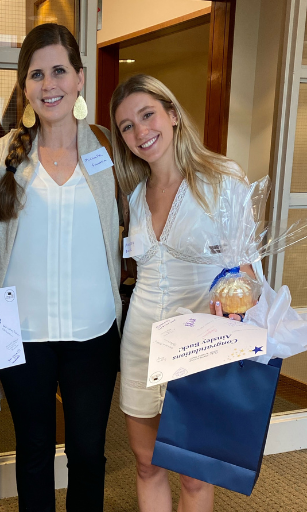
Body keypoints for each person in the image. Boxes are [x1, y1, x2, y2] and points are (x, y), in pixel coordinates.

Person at [0, 23, 123, 512]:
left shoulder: (109, 150)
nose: (49, 85)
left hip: (94, 333)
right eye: (37, 75)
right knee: (35, 451)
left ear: (80, 77)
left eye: (59, 71)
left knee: (89, 453)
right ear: (24, 87)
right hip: (22, 335)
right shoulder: (0, 156)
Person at [110, 74, 250, 512]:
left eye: (147, 114)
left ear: (172, 114)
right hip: (141, 343)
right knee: (147, 464)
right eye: (127, 126)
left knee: (193, 473)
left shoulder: (222, 181)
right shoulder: (134, 196)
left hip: (199, 342)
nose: (140, 132)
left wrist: (237, 306)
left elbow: (248, 273)